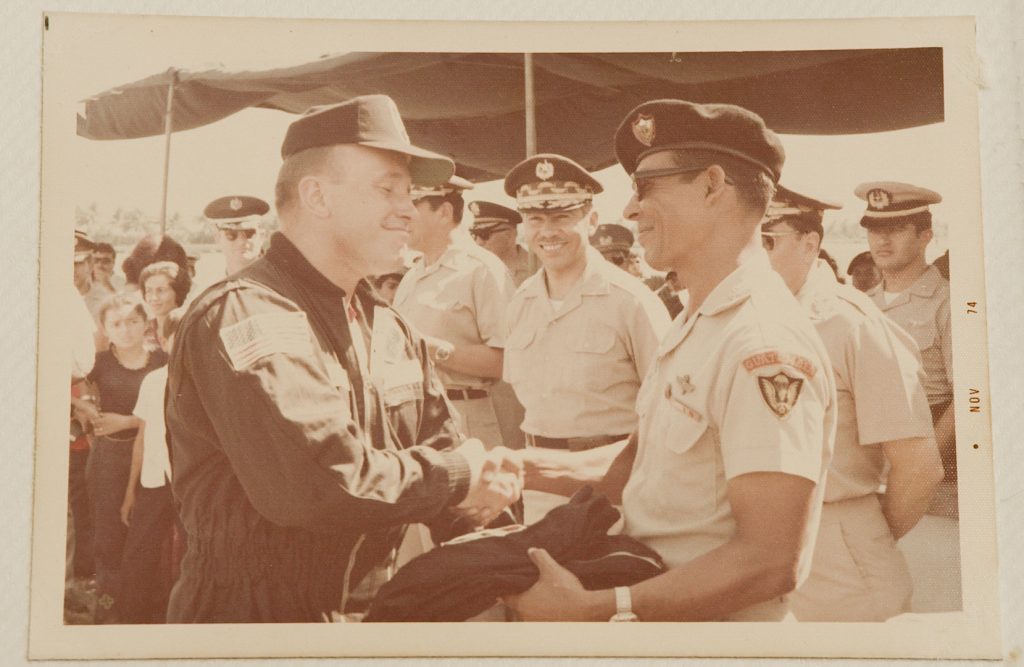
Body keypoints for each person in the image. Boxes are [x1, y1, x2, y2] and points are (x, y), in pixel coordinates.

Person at [164, 94, 522, 623]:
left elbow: (445, 455)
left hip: (368, 614)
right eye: (388, 189)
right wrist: (461, 473)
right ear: (317, 197)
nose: (408, 209)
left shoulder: (390, 327)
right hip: (255, 621)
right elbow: (323, 484)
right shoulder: (247, 314)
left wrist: (506, 548)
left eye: (411, 192)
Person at [504, 100, 836, 622]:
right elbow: (636, 466)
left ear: (711, 186)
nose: (629, 210)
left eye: (646, 186)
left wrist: (598, 607)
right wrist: (513, 468)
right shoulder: (697, 320)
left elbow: (769, 560)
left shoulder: (761, 344)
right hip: (661, 610)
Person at [761, 185, 943, 621]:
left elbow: (919, 467)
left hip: (837, 541)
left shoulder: (849, 323)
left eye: (768, 240)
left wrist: (863, 535)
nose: (754, 254)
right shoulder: (760, 317)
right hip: (759, 545)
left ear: (810, 244)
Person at [501, 153, 670, 524]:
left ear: (591, 221)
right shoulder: (521, 303)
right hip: (541, 486)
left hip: (614, 486)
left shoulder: (631, 301)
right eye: (535, 219)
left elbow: (667, 408)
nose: (547, 232)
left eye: (562, 217)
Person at [393, 174, 515, 452]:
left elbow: (506, 360)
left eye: (412, 206)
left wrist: (426, 347)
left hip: (464, 417)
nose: (402, 215)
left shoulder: (481, 270)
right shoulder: (412, 276)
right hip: (415, 419)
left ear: (444, 212)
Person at [857, 181, 956, 517]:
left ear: (925, 236)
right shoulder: (859, 305)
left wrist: (918, 467)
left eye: (896, 229)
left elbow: (970, 398)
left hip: (932, 478)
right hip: (867, 471)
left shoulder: (950, 303)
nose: (882, 241)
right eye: (875, 230)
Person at [85, 293, 169, 622]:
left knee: (145, 534)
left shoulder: (161, 360)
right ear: (105, 328)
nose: (126, 329)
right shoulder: (98, 362)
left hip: (151, 457)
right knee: (108, 535)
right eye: (116, 323)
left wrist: (129, 421)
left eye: (132, 321)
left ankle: (144, 608)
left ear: (146, 323)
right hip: (108, 460)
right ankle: (107, 610)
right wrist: (87, 410)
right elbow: (63, 387)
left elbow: (167, 407)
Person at [118, 307, 185, 623]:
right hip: (154, 480)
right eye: (176, 335)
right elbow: (142, 438)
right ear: (163, 339)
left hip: (189, 484)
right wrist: (131, 491)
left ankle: (183, 617)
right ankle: (132, 617)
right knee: (139, 550)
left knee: (189, 553)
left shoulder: (209, 380)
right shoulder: (153, 381)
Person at [468, 200, 531, 287]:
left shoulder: (539, 268)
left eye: (484, 234)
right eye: (475, 234)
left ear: (510, 235)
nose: (479, 242)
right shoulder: (473, 271)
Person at [203, 195, 269, 276]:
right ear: (217, 238)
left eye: (249, 233)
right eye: (231, 235)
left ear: (262, 236)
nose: (241, 242)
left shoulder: (282, 285)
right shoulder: (209, 286)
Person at [139, 261, 189, 351]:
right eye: (149, 291)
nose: (154, 298)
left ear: (178, 292)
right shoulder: (141, 330)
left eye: (161, 290)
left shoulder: (188, 328)